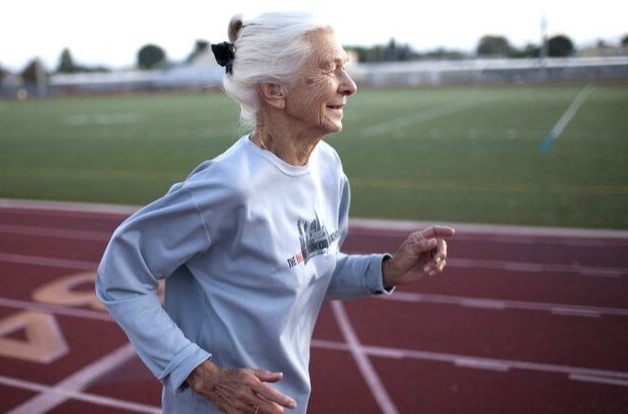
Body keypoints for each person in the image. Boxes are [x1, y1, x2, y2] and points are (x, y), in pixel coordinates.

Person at [96, 12, 455, 414]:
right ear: (274, 91)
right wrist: (205, 376)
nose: (349, 85)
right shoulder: (228, 188)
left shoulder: (328, 168)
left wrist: (386, 271)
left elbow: (312, 266)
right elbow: (120, 276)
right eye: (329, 69)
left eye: (344, 67)